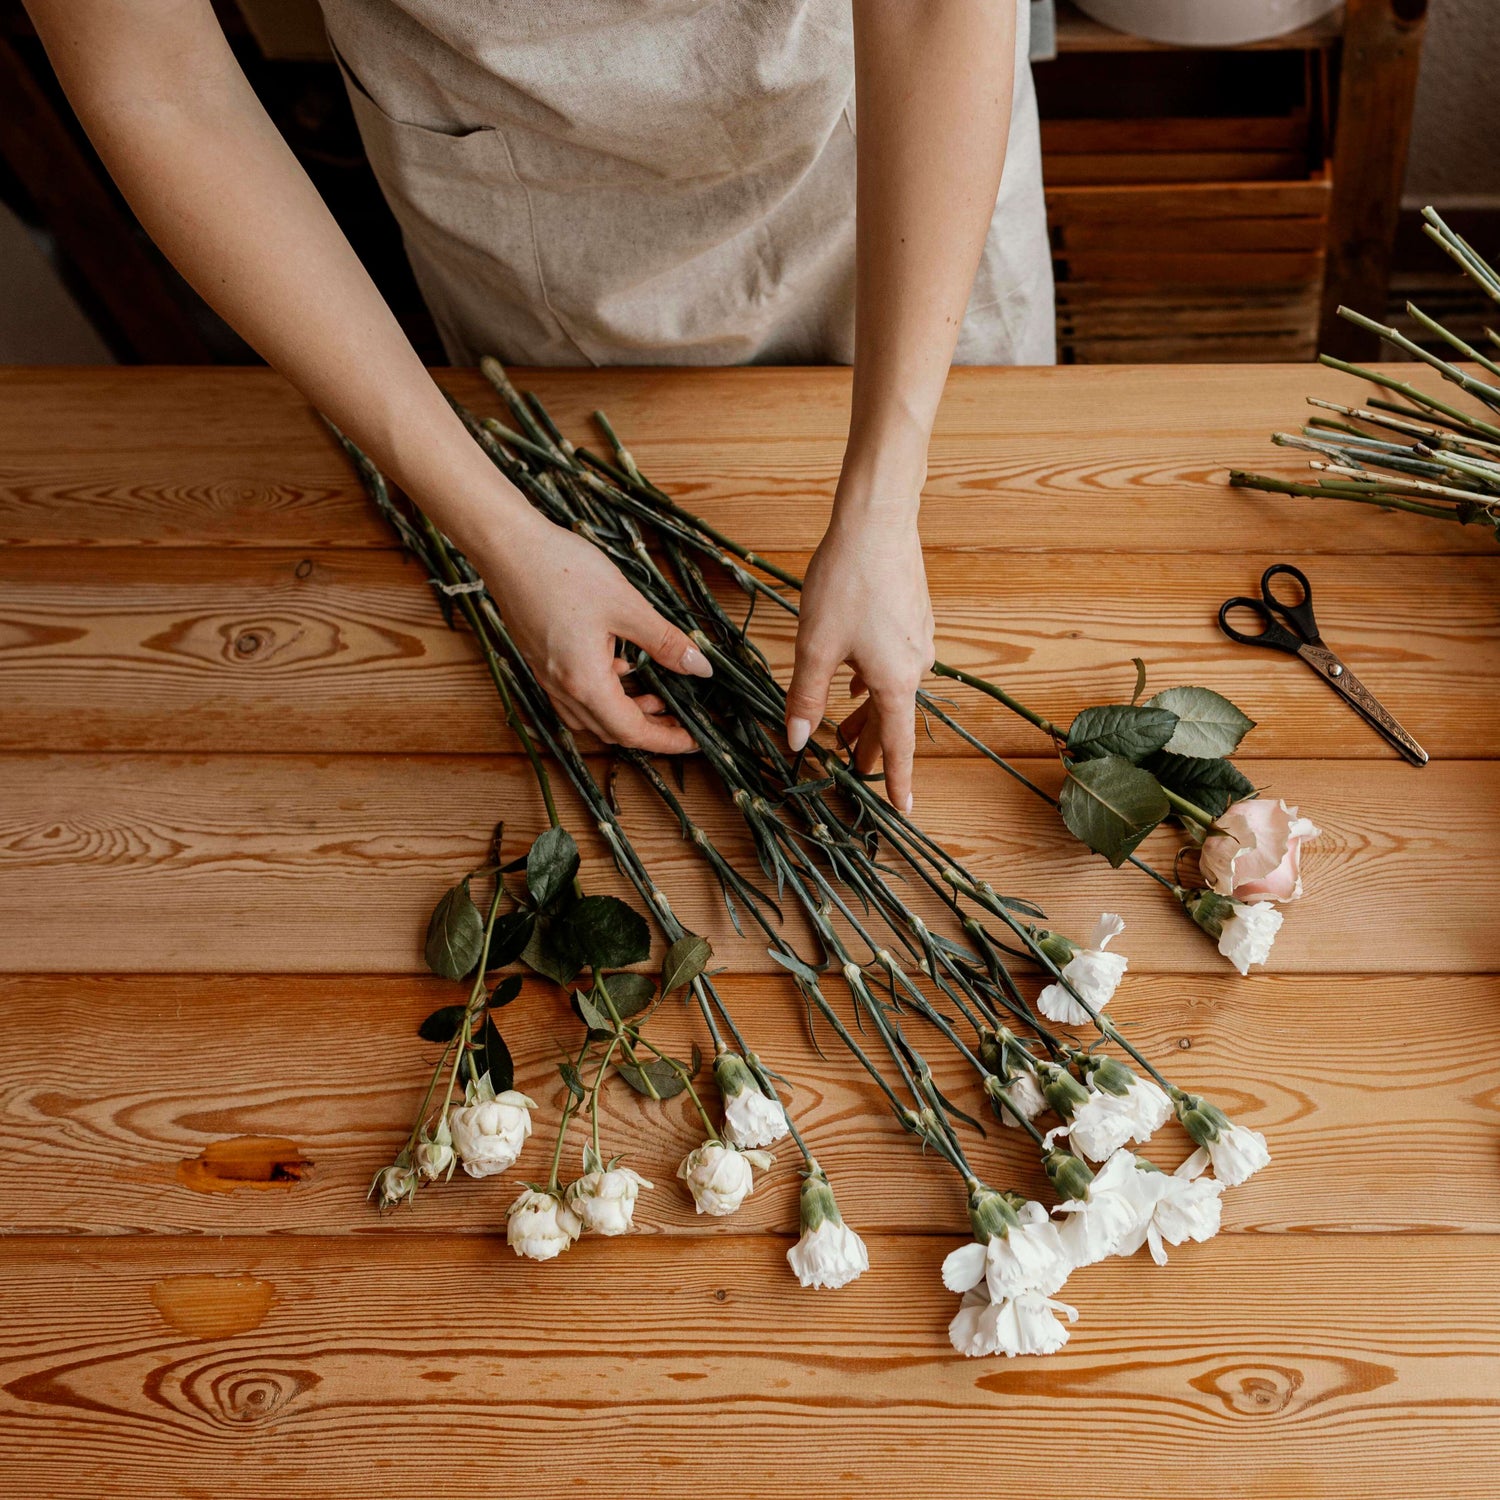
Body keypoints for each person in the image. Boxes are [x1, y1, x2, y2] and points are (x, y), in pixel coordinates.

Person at [24, 0, 1052, 814]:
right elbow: (159, 88)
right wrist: (502, 532)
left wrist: (884, 493)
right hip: (529, 194)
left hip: (890, 132)